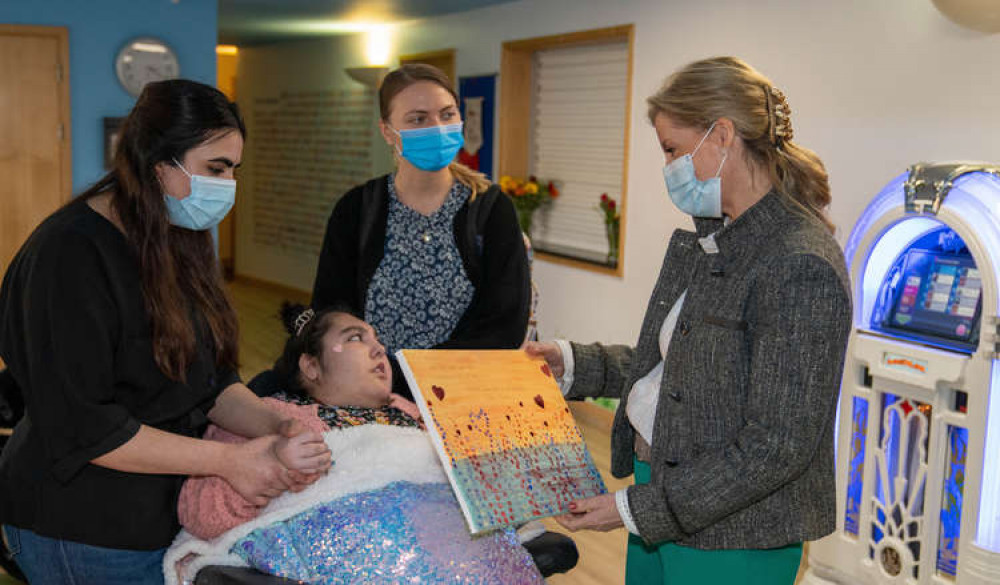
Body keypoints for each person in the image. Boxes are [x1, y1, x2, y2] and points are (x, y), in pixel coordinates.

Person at [526, 56, 853, 585]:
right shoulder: (715, 237)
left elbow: (777, 445)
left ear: (721, 136)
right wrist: (572, 363)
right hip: (667, 498)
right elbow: (683, 368)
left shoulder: (798, 262)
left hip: (734, 533)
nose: (669, 168)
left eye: (673, 150)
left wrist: (634, 510)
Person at [0, 79, 330, 585]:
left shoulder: (177, 240)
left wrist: (274, 425)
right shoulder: (68, 255)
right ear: (158, 165)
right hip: (81, 524)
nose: (227, 185)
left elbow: (211, 382)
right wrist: (230, 460)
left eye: (234, 170)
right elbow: (85, 426)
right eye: (215, 168)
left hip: (159, 516)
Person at [166, 304, 544, 585]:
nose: (380, 350)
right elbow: (201, 514)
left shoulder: (416, 415)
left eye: (378, 341)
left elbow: (483, 494)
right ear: (311, 366)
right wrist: (278, 470)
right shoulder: (266, 416)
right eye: (355, 339)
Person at [311, 64, 531, 399]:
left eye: (447, 114)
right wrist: (380, 378)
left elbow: (504, 323)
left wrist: (425, 379)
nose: (437, 128)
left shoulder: (491, 209)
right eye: (417, 119)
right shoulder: (356, 210)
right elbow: (332, 313)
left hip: (465, 396)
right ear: (387, 131)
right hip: (373, 393)